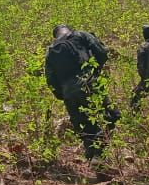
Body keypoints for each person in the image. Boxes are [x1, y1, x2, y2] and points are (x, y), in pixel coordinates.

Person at [45, 25, 121, 164]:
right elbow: (102, 52)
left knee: (85, 126)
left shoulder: (51, 51)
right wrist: (96, 71)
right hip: (88, 83)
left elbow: (50, 79)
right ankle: (98, 155)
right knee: (112, 115)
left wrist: (62, 94)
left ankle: (95, 160)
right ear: (69, 30)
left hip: (68, 92)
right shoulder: (80, 35)